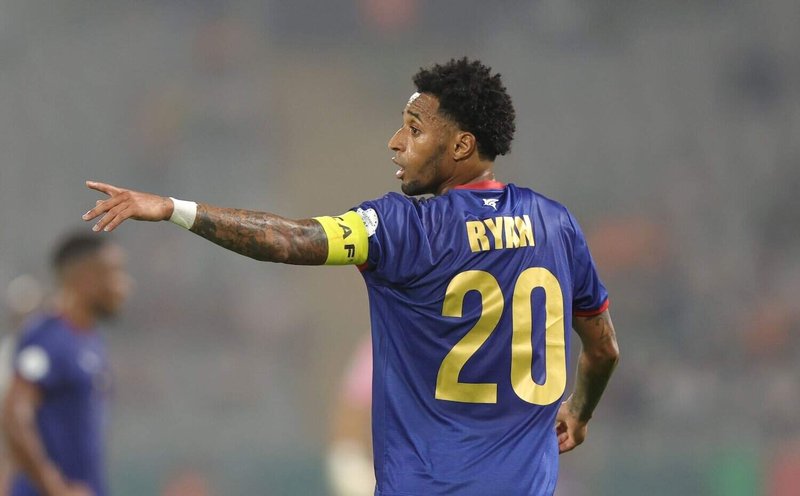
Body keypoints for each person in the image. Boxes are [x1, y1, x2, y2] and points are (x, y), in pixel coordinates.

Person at [81, 58, 619, 495]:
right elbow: (603, 351)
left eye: (414, 129)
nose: (395, 141)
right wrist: (579, 410)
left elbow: (292, 239)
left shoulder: (405, 227)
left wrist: (174, 208)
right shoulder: (558, 225)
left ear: (461, 145)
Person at [2, 233, 131, 496]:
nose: (124, 284)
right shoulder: (48, 338)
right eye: (114, 273)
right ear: (86, 279)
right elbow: (14, 415)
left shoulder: (90, 339)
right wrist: (54, 486)